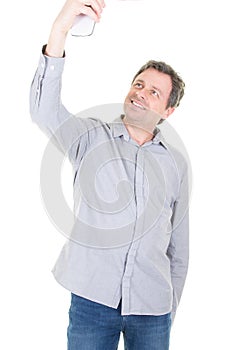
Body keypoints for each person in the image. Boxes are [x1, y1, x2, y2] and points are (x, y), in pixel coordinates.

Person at [30, 1, 189, 349]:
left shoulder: (176, 164)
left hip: (153, 308)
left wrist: (169, 308)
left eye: (154, 92)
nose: (140, 94)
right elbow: (44, 110)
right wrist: (60, 29)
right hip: (92, 303)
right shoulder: (89, 137)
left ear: (168, 110)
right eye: (138, 84)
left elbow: (179, 246)